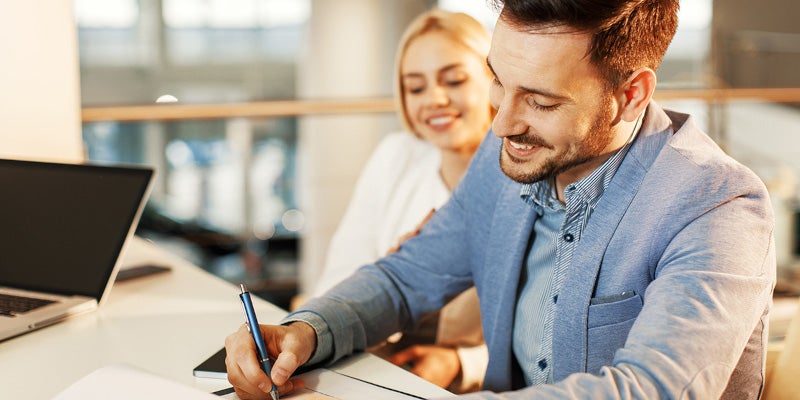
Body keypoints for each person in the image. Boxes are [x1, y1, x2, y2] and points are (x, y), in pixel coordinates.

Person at [225, 1, 777, 399]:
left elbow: (649, 391)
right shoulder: (508, 162)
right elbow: (404, 279)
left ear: (630, 95)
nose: (502, 124)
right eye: (497, 81)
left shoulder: (718, 206)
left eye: (539, 101)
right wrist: (306, 331)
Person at [309, 9, 494, 392]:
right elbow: (337, 280)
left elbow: (544, 330)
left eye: (454, 80)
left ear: (494, 79)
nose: (435, 99)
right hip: (377, 368)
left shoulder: (525, 176)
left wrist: (462, 363)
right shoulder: (396, 156)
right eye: (415, 87)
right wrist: (391, 272)